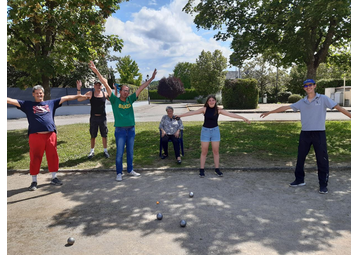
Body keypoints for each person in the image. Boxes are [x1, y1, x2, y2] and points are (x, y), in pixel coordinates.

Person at [260, 79, 351, 194]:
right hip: (305, 133)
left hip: (319, 133)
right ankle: (299, 180)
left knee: (322, 160)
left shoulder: (323, 99)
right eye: (306, 85)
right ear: (304, 88)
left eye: (310, 85)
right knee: (300, 157)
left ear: (314, 86)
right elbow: (286, 107)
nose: (308, 87)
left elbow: (339, 108)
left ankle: (323, 185)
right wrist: (269, 112)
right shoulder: (302, 102)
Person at [7, 85, 89, 191]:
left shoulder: (51, 103)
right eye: (36, 93)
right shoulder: (27, 105)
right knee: (35, 157)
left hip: (50, 135)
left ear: (43, 94)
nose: (39, 95)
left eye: (40, 93)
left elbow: (66, 98)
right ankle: (34, 181)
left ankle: (54, 178)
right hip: (35, 136)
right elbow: (10, 100)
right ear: (33, 94)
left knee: (53, 156)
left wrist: (80, 95)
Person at [89, 61, 157, 181]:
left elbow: (141, 87)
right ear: (120, 91)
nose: (126, 92)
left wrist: (151, 78)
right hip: (120, 130)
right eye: (124, 90)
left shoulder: (130, 99)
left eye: (128, 91)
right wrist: (96, 71)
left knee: (130, 152)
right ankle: (119, 173)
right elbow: (105, 83)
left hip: (131, 129)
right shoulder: (115, 100)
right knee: (119, 153)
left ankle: (130, 170)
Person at [176, 95, 250, 177]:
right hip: (205, 131)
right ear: (207, 102)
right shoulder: (204, 109)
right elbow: (192, 112)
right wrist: (180, 116)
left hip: (215, 131)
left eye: (213, 100)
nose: (211, 102)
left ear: (215, 101)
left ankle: (217, 169)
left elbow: (230, 114)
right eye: (209, 100)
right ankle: (201, 169)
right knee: (204, 151)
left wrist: (243, 118)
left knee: (216, 151)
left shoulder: (218, 110)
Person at [76, 80, 110, 159]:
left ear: (102, 86)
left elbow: (114, 100)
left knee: (104, 135)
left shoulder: (105, 94)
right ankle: (92, 151)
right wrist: (78, 89)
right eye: (96, 85)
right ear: (94, 86)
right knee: (93, 135)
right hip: (94, 118)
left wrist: (112, 88)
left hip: (102, 118)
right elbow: (79, 99)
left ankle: (105, 151)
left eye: (99, 85)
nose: (98, 86)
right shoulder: (90, 93)